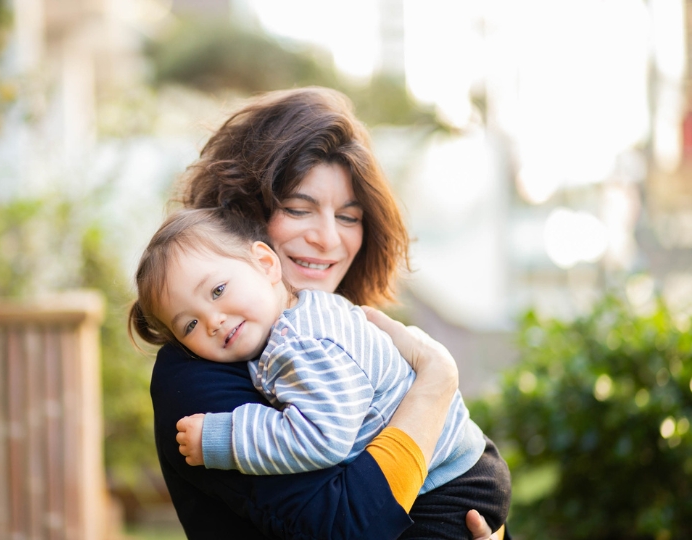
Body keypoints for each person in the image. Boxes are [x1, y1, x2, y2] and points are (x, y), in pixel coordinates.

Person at [146, 86, 510, 539]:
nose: (327, 238)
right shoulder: (195, 372)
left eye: (348, 217)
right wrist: (435, 385)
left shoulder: (328, 330)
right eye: (298, 209)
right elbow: (348, 525)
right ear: (242, 215)